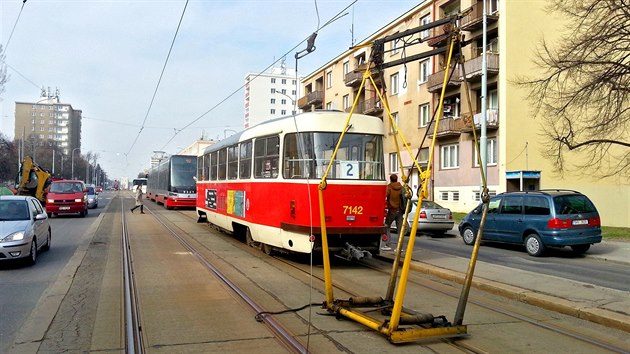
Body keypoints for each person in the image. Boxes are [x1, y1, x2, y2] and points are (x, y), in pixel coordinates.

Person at [383, 173, 405, 251]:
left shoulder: (389, 187)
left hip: (392, 210)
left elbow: (384, 195)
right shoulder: (401, 187)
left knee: (386, 226)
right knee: (400, 229)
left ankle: (388, 244)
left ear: (390, 179)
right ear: (397, 179)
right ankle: (399, 248)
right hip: (400, 210)